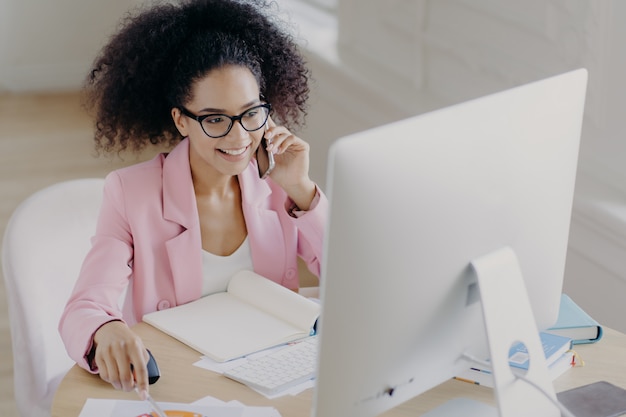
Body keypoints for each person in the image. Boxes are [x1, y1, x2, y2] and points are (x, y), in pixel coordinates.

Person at [58, 0, 327, 400]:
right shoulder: (132, 193)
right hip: (180, 384)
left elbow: (356, 281)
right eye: (215, 119)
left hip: (270, 379)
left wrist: (302, 189)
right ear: (182, 120)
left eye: (250, 114)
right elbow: (84, 307)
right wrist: (106, 330)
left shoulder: (280, 184)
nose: (238, 138)